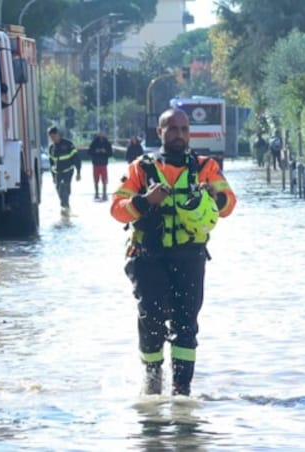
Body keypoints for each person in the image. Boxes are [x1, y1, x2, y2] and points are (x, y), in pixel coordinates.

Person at [110, 108, 237, 396]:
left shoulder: (205, 167)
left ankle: (182, 391)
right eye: (172, 128)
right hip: (148, 256)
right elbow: (117, 209)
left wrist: (212, 196)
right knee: (152, 317)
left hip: (189, 256)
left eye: (183, 129)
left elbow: (229, 204)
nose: (179, 134)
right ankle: (153, 378)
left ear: (189, 133)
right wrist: (144, 201)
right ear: (160, 132)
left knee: (186, 324)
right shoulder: (140, 169)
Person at [47, 126, 81, 215]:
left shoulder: (68, 144)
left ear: (58, 134)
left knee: (64, 188)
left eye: (53, 136)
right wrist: (53, 176)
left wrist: (78, 172)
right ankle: (65, 206)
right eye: (51, 137)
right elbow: (51, 164)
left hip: (68, 171)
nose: (52, 139)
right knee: (59, 190)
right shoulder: (51, 148)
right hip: (57, 173)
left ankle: (65, 208)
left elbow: (76, 158)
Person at [88, 131, 113, 200]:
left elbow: (110, 153)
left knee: (104, 179)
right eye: (100, 133)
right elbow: (89, 152)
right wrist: (95, 151)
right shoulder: (94, 142)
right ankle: (96, 193)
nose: (101, 135)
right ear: (98, 134)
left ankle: (104, 194)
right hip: (95, 164)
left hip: (104, 164)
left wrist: (105, 151)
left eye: (103, 133)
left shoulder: (107, 143)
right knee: (96, 179)